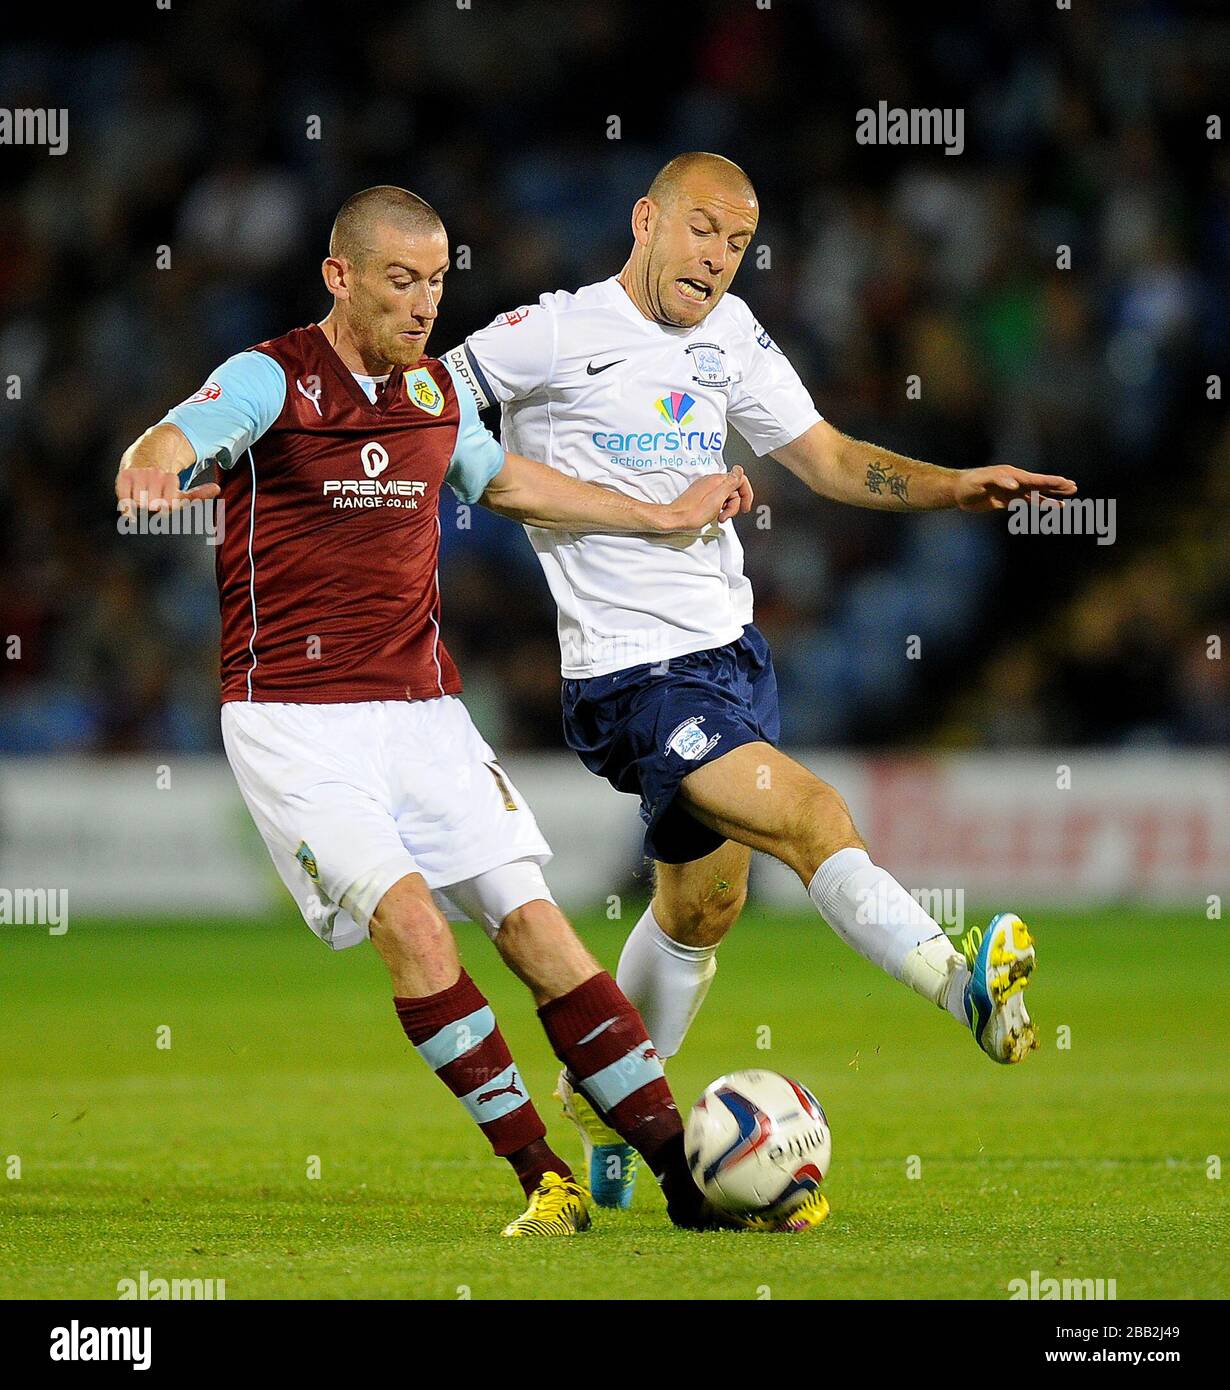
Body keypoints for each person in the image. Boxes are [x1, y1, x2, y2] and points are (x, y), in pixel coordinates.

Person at [114, 185, 831, 1236]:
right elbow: (180, 435)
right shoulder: (275, 377)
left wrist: (659, 514)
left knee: (540, 933)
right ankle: (544, 1176)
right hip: (296, 720)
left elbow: (509, 484)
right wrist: (153, 467)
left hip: (424, 712)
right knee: (411, 924)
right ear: (340, 275)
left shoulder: (436, 400)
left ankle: (687, 1177)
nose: (423, 303)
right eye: (400, 280)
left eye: (439, 280)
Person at [443, 153, 1076, 1207]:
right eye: (700, 230)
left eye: (737, 243)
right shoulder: (553, 331)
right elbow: (431, 404)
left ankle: (604, 1099)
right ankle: (956, 981)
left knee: (702, 907)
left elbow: (824, 456)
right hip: (632, 674)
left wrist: (952, 486)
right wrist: (522, 489)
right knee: (812, 813)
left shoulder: (733, 337)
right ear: (645, 221)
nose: (717, 257)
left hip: (730, 659)